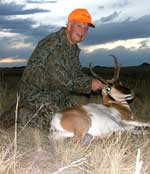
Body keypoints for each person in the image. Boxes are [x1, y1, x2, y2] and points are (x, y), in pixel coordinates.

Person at [18, 8, 104, 130]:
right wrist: (89, 84)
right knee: (57, 121)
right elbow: (63, 81)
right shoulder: (52, 44)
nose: (83, 31)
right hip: (34, 94)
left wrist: (96, 82)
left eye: (86, 28)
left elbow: (76, 74)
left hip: (54, 93)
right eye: (79, 26)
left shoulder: (72, 48)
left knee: (78, 113)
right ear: (69, 25)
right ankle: (22, 115)